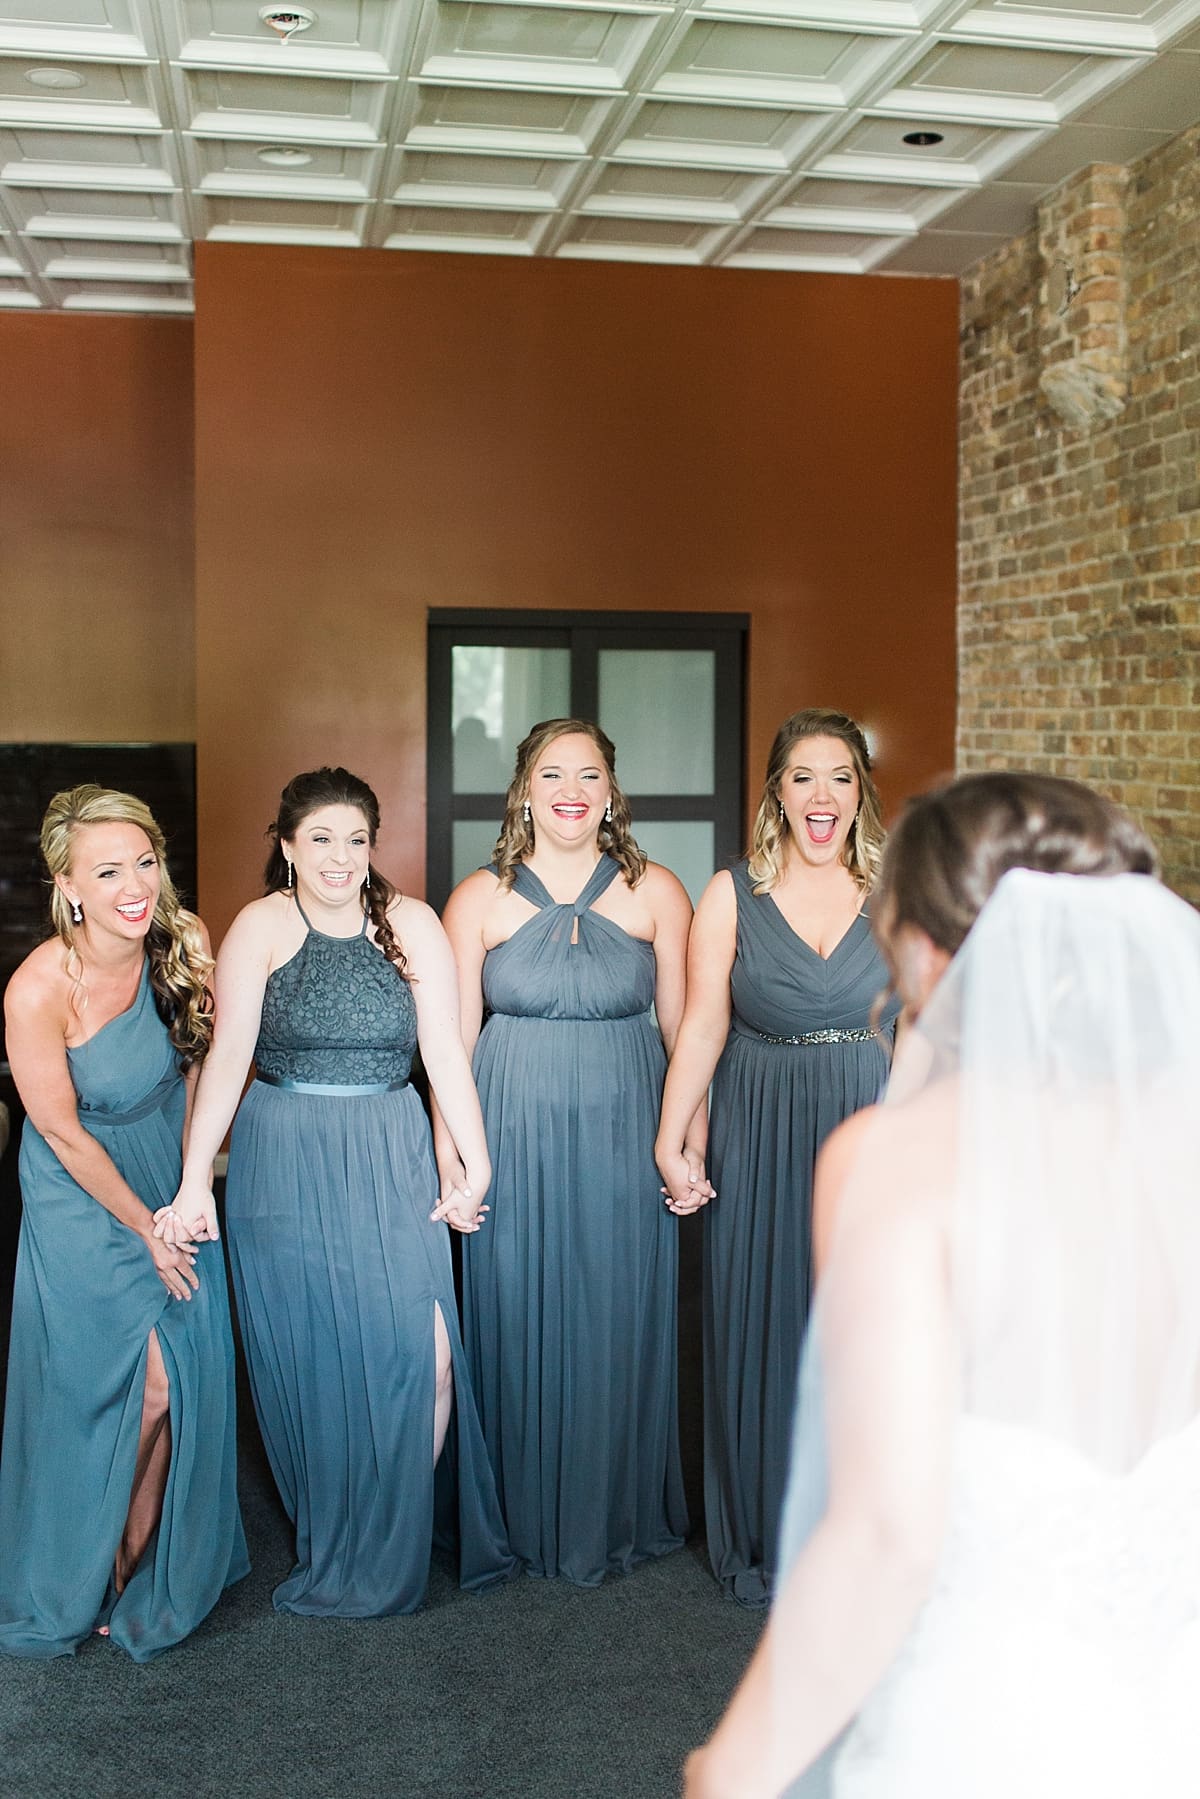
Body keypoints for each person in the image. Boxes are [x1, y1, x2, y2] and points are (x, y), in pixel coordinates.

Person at [684, 770, 1200, 1799]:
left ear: (923, 946)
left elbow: (885, 1529)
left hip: (992, 1706)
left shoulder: (901, 1155)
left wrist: (733, 1767)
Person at [168, 766, 515, 1615]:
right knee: (314, 1360)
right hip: (283, 1154)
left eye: (356, 839)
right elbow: (226, 1061)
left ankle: (389, 1535)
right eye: (320, 838)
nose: (339, 856)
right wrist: (191, 1183)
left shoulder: (412, 923)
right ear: (287, 846)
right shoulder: (260, 925)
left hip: (390, 1146)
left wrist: (477, 1161)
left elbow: (443, 1054)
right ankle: (341, 1529)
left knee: (425, 1352)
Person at [440, 718, 695, 1584]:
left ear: (611, 792)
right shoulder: (478, 898)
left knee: (616, 1309)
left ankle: (612, 1506)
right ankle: (516, 1510)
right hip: (510, 1133)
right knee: (512, 1309)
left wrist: (688, 1142)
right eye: (553, 774)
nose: (572, 790)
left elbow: (685, 1027)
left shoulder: (657, 890)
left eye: (589, 774)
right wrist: (455, 1164)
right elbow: (450, 1049)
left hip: (627, 1130)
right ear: (524, 791)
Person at [656, 708, 897, 1605]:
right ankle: (765, 1525)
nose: (822, 794)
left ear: (862, 791)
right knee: (762, 1314)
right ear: (777, 792)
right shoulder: (732, 892)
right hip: (759, 1120)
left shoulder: (899, 886)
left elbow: (922, 1028)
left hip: (867, 1116)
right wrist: (671, 1132)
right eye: (803, 776)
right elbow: (706, 1022)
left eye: (841, 776)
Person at [0, 785, 247, 1661]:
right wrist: (145, 1224)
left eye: (145, 862)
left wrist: (191, 1188)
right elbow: (61, 1129)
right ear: (68, 885)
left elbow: (192, 1071)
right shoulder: (37, 988)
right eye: (108, 871)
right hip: (82, 1190)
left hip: (162, 1166)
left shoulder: (185, 942)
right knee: (123, 1379)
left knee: (173, 1376)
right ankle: (92, 1553)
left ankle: (139, 1552)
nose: (134, 885)